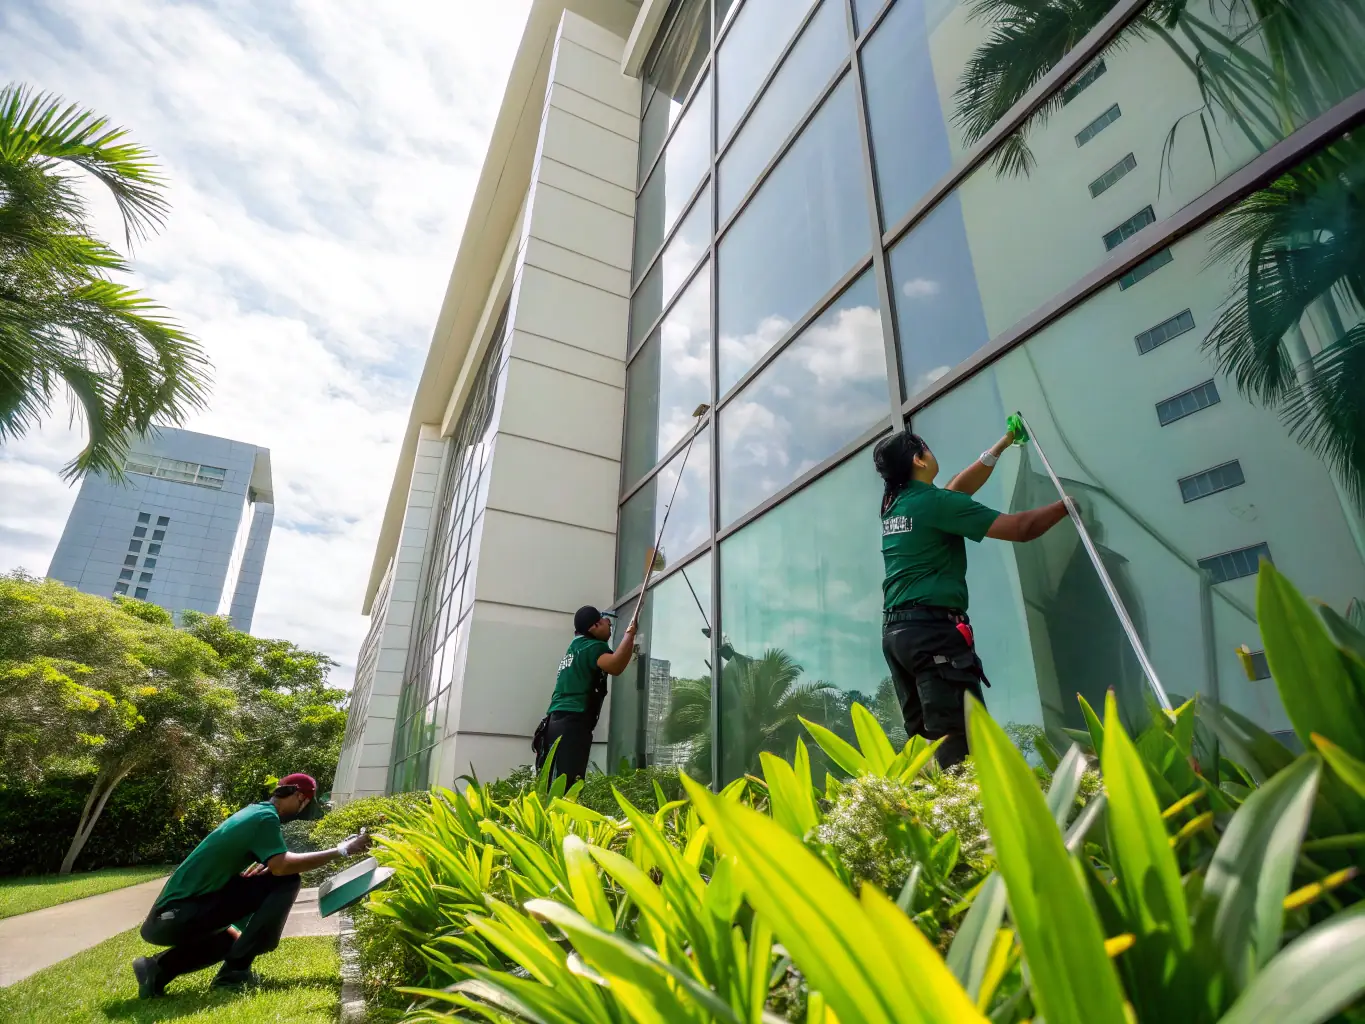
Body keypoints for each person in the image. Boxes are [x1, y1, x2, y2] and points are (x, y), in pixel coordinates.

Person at [875, 427, 1070, 768]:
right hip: (933, 636)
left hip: (898, 637)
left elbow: (956, 490)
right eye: (928, 449)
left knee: (929, 747)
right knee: (961, 747)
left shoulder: (898, 506)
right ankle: (976, 817)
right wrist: (1069, 503)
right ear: (919, 459)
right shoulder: (934, 504)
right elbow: (1022, 529)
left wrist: (1002, 444)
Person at [132, 773, 371, 998]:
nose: (302, 810)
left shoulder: (255, 812)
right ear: (300, 796)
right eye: (305, 804)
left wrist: (268, 862)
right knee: (287, 879)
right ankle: (234, 975)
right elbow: (282, 866)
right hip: (176, 915)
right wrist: (343, 850)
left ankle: (156, 970)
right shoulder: (265, 817)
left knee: (232, 940)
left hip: (168, 918)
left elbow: (271, 860)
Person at [535, 605, 638, 783]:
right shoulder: (593, 647)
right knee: (569, 785)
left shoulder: (575, 647)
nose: (609, 623)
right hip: (572, 724)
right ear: (594, 627)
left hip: (554, 723)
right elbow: (615, 665)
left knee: (555, 783)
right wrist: (630, 634)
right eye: (605, 620)